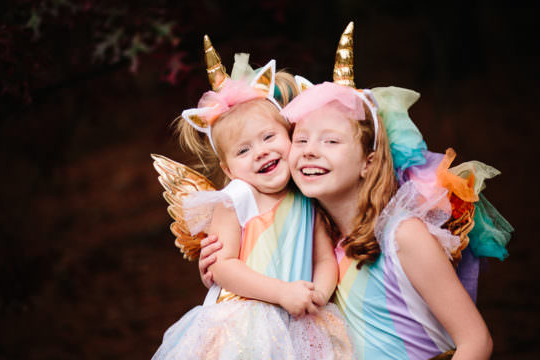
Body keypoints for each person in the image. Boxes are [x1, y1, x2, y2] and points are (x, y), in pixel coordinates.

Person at [198, 22, 512, 359]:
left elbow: (475, 341)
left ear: (369, 161)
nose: (310, 150)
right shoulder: (314, 239)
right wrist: (224, 278)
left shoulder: (402, 236)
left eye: (331, 141)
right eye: (301, 139)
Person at [152, 36, 355, 360]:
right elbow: (223, 267)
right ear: (228, 168)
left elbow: (323, 258)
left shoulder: (306, 195)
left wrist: (318, 293)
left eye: (269, 137)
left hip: (299, 320)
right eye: (243, 150)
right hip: (247, 323)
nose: (260, 152)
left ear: (290, 137)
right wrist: (282, 292)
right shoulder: (237, 198)